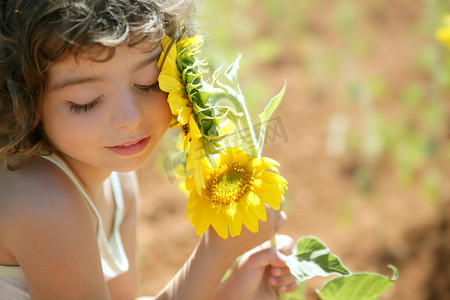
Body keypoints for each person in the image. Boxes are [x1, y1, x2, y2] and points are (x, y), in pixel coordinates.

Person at [0, 0, 298, 299]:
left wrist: (232, 291)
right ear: (25, 103)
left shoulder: (118, 181)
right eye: (86, 100)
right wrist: (216, 253)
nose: (130, 119)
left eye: (148, 83)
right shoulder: (42, 203)